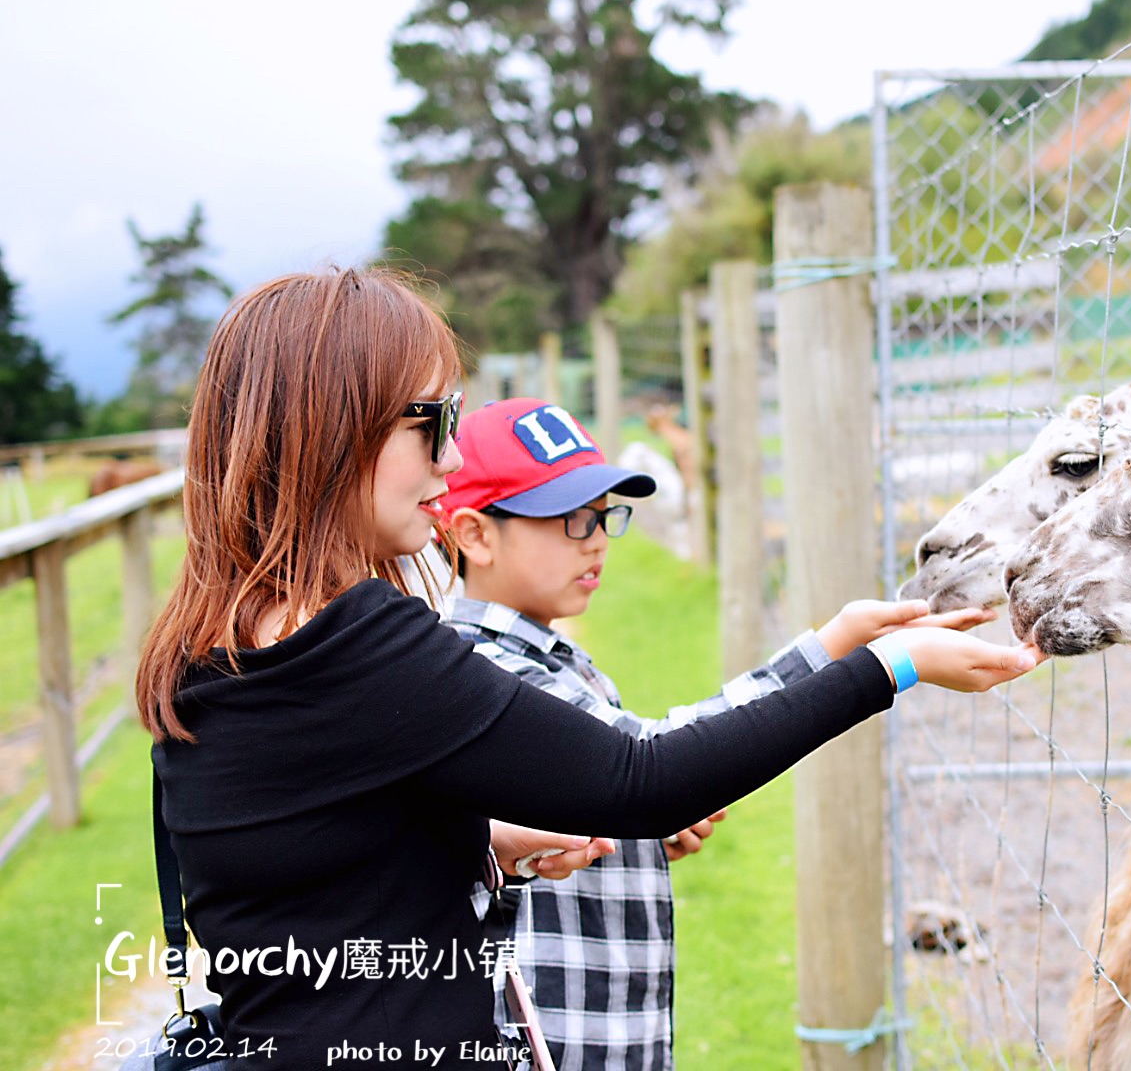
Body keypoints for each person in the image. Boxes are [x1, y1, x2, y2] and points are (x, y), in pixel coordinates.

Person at [135, 268, 1038, 1070]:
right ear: (334, 431)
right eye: (430, 422)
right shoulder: (358, 646)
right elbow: (641, 779)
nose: (449, 460)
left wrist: (486, 845)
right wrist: (889, 669)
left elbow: (305, 865)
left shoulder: (215, 648)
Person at [440, 398, 991, 1069]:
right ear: (474, 535)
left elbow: (634, 770)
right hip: (557, 1043)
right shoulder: (485, 672)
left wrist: (834, 640)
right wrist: (879, 665)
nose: (595, 538)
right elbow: (650, 765)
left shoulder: (552, 660)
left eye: (603, 515)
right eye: (568, 518)